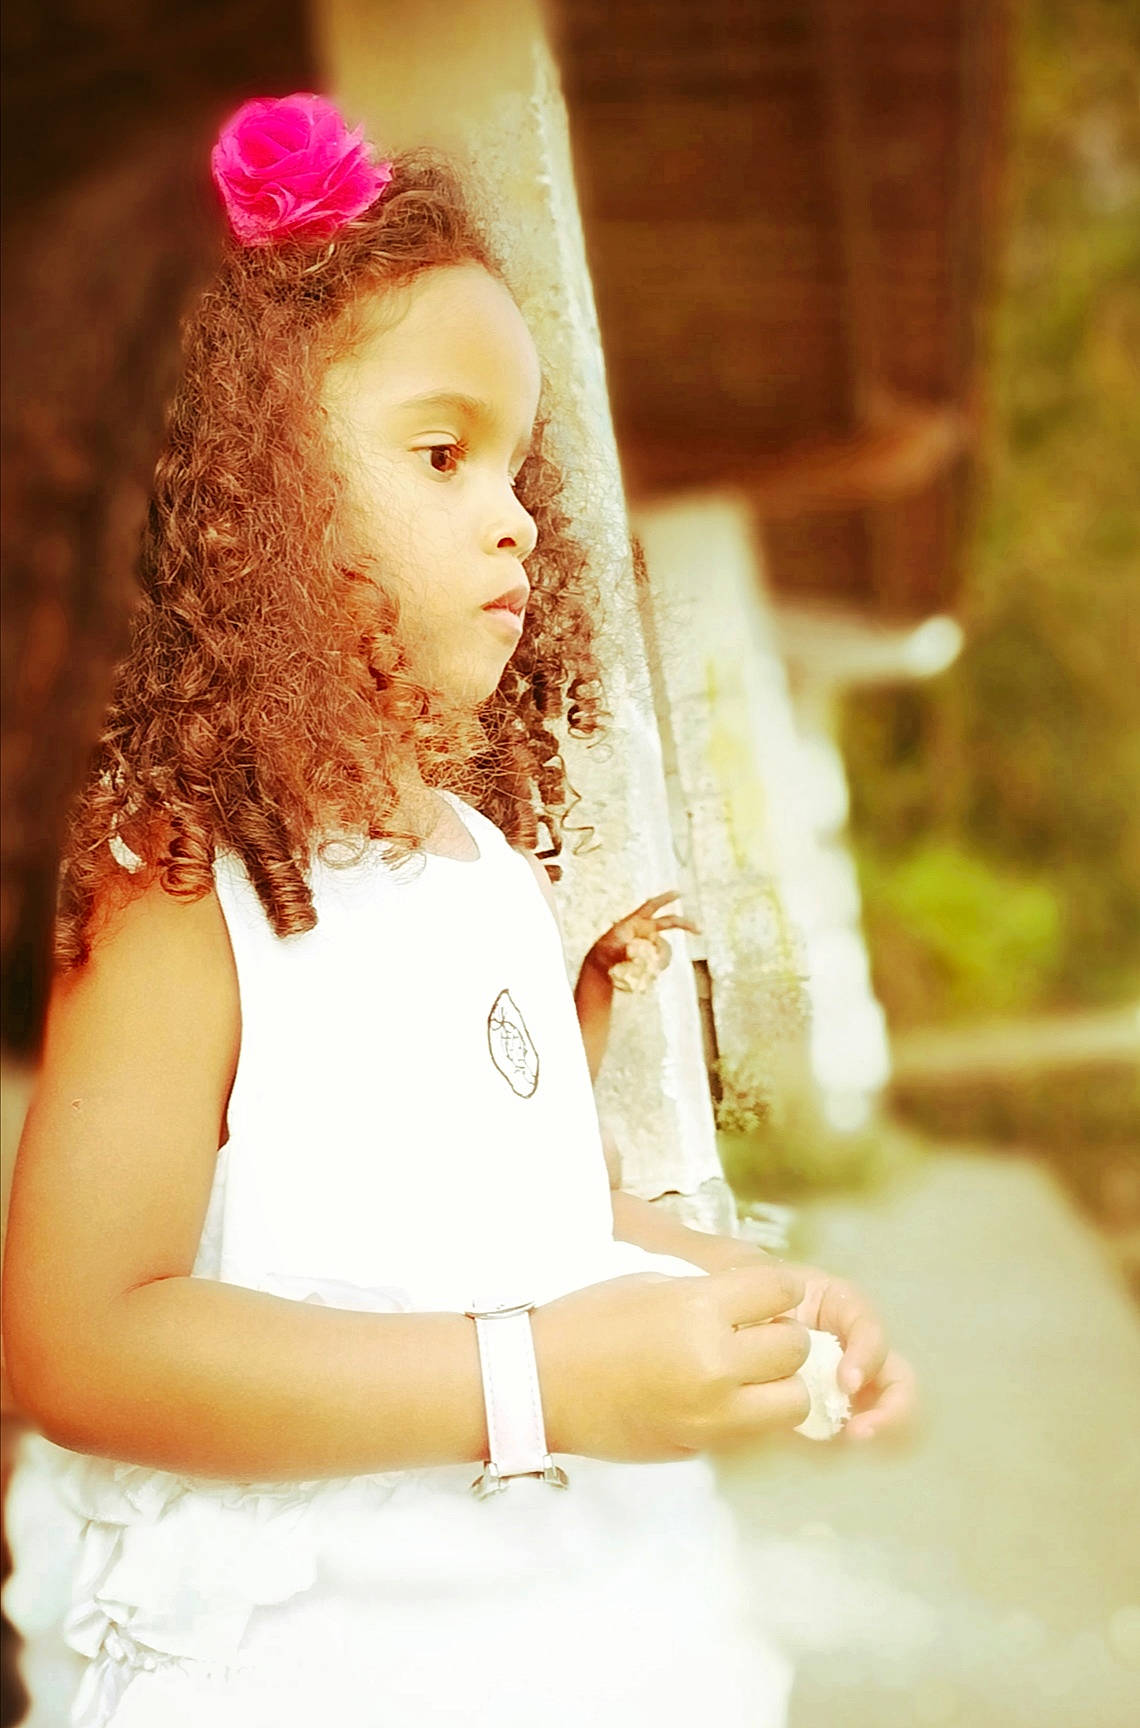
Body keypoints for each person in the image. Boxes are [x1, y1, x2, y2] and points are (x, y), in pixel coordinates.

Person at [1, 94, 915, 1728]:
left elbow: (515, 1213)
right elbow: (78, 1339)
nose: (513, 514)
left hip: (550, 1636)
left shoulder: (491, 874)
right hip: (326, 1661)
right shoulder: (183, 878)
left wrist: (740, 1288)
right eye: (441, 451)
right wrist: (540, 1381)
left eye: (519, 465)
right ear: (241, 497)